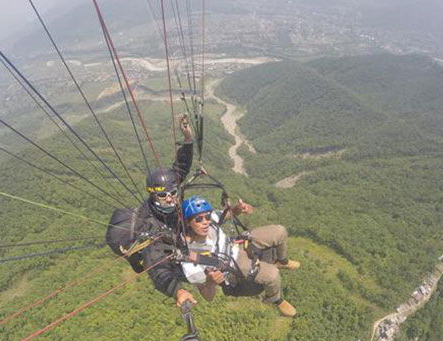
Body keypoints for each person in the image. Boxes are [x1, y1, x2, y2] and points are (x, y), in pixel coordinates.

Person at [106, 114, 195, 297]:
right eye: (163, 196)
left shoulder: (170, 192)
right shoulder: (147, 222)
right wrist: (178, 292)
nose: (170, 199)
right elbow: (156, 267)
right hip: (169, 252)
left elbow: (181, 168)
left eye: (173, 193)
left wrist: (187, 138)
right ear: (152, 195)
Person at [177, 195, 300, 317]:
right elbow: (208, 297)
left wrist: (238, 209)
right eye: (198, 219)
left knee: (279, 231)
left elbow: (226, 215)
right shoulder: (190, 259)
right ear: (188, 222)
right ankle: (275, 299)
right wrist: (210, 282)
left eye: (207, 216)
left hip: (235, 245)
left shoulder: (211, 221)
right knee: (272, 275)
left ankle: (281, 260)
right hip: (232, 265)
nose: (205, 222)